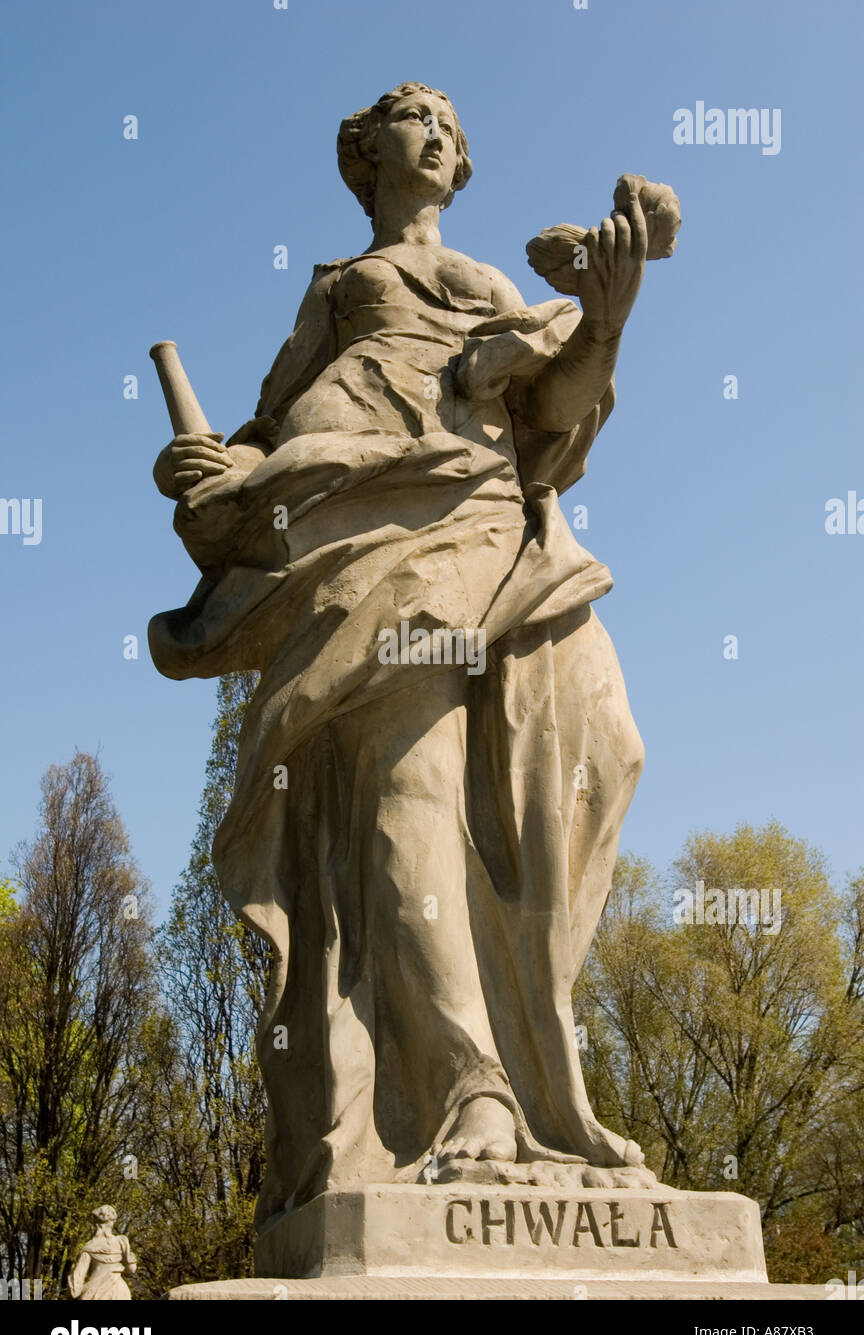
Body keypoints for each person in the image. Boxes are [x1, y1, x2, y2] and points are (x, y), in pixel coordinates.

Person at [150, 82, 650, 1227]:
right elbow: (273, 427)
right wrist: (214, 475)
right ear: (362, 150)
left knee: (596, 758)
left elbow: (555, 412)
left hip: (496, 524)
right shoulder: (339, 286)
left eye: (453, 122)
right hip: (373, 532)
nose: (439, 130)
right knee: (410, 787)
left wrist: (610, 319)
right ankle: (473, 1094)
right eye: (412, 114)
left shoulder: (493, 285)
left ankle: (542, 1080)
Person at [68, 1205, 136, 1300]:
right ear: (112, 1222)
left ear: (96, 1224)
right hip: (119, 1290)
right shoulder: (121, 1242)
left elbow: (78, 1275)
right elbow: (131, 1270)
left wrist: (73, 1293)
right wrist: (131, 1259)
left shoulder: (90, 1246)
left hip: (96, 1291)